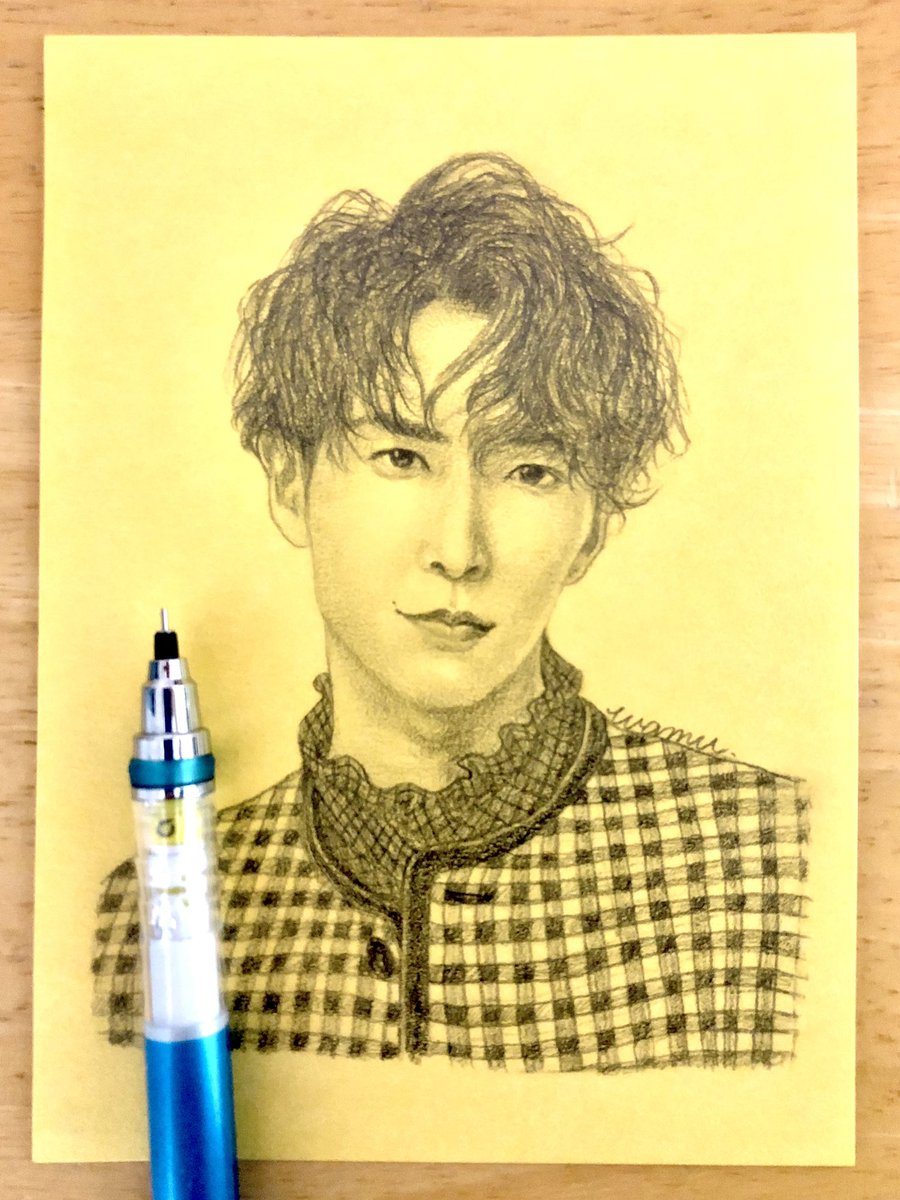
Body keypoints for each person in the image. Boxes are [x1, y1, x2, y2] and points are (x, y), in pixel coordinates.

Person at [93, 153, 808, 1072]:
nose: (460, 549)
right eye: (402, 457)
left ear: (594, 527)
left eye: (531, 471)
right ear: (288, 481)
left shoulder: (765, 862)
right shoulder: (141, 910)